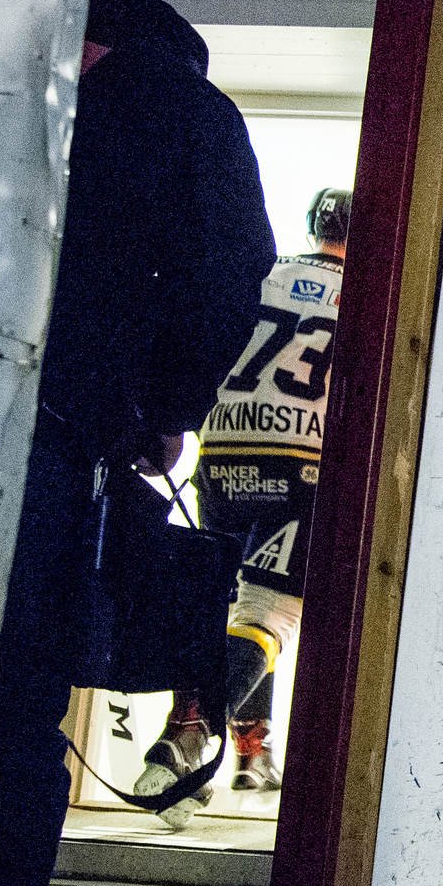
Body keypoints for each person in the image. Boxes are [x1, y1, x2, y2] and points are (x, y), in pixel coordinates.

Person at [0, 0, 274, 886]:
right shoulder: (182, 110)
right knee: (15, 725)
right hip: (51, 439)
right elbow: (226, 269)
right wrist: (160, 404)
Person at [133, 188, 349, 828]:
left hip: (225, 453)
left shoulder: (264, 274)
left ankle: (248, 753)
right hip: (300, 458)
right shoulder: (363, 290)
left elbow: (198, 338)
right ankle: (187, 737)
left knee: (228, 604)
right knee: (271, 612)